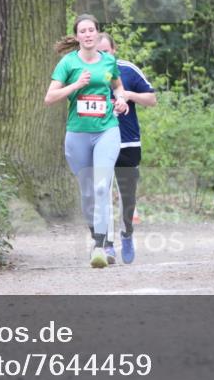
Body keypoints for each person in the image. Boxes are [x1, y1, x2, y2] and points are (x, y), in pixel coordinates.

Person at [44, 14, 130, 268]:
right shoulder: (67, 63)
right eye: (83, 31)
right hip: (78, 133)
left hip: (107, 130)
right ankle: (96, 235)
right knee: (88, 192)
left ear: (97, 33)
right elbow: (50, 97)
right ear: (78, 36)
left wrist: (122, 99)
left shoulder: (108, 61)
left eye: (92, 30)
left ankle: (100, 246)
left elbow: (117, 87)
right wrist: (75, 86)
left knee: (103, 187)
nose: (88, 34)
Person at [97, 33, 157, 264]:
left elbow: (152, 100)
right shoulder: (87, 72)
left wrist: (127, 95)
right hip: (100, 141)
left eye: (107, 51)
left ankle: (127, 234)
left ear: (114, 50)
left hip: (127, 142)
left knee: (126, 196)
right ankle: (108, 244)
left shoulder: (128, 70)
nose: (103, 55)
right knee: (101, 193)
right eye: (99, 52)